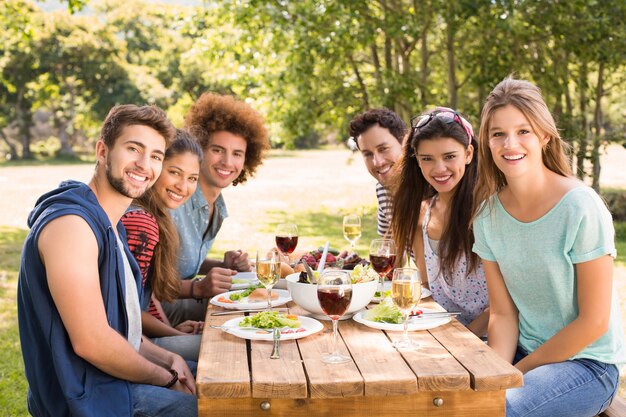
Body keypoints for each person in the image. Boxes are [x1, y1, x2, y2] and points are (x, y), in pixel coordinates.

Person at [17, 104, 198, 416]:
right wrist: (166, 379)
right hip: (83, 398)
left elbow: (121, 329)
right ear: (103, 150)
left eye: (156, 156)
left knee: (215, 376)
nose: (145, 164)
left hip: (110, 382)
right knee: (207, 405)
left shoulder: (111, 225)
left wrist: (169, 360)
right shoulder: (72, 226)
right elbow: (93, 342)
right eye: (133, 148)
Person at [472, 77, 625, 417]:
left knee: (503, 411)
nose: (510, 143)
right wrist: (492, 375)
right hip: (524, 353)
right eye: (498, 133)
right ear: (486, 141)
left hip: (588, 365)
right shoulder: (487, 217)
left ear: (544, 135)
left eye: (523, 130)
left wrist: (517, 373)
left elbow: (594, 322)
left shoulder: (580, 207)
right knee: (451, 401)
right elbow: (503, 314)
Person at [164, 92, 270, 325]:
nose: (227, 162)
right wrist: (198, 287)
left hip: (183, 301)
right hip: (162, 311)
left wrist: (222, 266)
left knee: (267, 303)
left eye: (237, 154)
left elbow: (181, 260)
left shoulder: (217, 207)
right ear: (199, 150)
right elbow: (145, 281)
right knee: (257, 309)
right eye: (218, 150)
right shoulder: (175, 200)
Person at [390, 107, 489, 336]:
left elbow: (504, 306)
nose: (439, 168)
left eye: (449, 156)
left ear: (468, 154)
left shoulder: (486, 211)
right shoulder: (421, 213)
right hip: (440, 334)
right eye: (427, 159)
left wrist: (462, 340)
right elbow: (426, 289)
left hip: (488, 340)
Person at [122, 129, 204, 361]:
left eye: (192, 178)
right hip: (132, 347)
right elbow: (131, 312)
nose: (183, 186)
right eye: (175, 173)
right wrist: (173, 334)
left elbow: (148, 297)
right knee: (226, 348)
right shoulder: (141, 222)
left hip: (142, 337)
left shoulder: (158, 216)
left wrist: (173, 332)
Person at [349, 108, 407, 237]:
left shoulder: (435, 185)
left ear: (405, 144)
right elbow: (387, 249)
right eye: (368, 154)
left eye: (383, 149)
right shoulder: (383, 190)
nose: (377, 162)